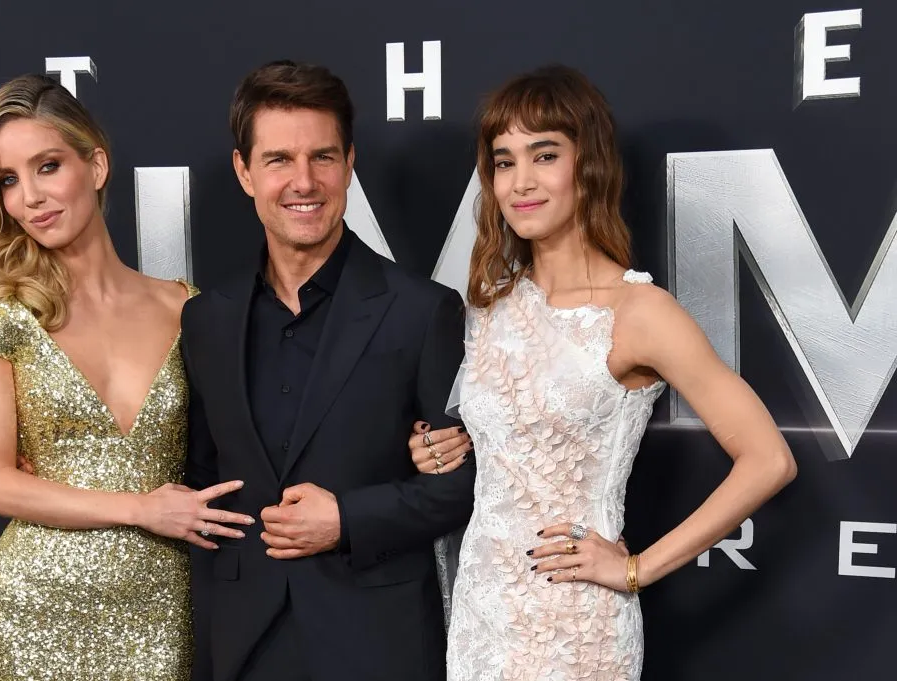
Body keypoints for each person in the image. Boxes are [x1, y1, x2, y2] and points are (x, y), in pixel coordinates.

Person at [411, 65, 797, 681]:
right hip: (482, 612)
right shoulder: (487, 307)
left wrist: (636, 568)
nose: (521, 182)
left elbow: (769, 459)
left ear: (587, 166)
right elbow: (504, 447)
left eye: (544, 155)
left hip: (576, 628)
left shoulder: (640, 312)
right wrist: (442, 448)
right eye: (504, 162)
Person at [0, 74, 252, 681]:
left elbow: (252, 433)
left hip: (158, 610)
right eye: (8, 180)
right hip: (34, 611)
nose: (31, 196)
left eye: (48, 166)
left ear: (98, 165)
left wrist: (419, 443)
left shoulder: (186, 308)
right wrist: (140, 508)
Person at [181, 60, 476, 681]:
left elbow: (458, 485)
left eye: (322, 157)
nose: (303, 182)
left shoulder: (422, 311)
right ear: (244, 172)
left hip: (377, 638)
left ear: (349, 164)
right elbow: (203, 476)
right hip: (245, 641)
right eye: (278, 160)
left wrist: (347, 519)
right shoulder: (207, 319)